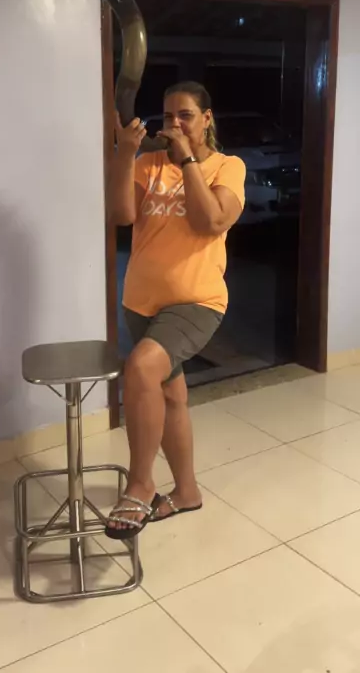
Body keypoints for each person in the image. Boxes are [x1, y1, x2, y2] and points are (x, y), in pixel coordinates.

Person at [105, 81, 246, 539]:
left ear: (207, 118)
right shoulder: (149, 164)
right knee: (170, 395)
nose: (176, 124)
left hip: (197, 301)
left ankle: (140, 483)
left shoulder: (228, 167)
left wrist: (187, 160)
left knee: (142, 367)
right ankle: (187, 492)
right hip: (141, 301)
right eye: (169, 117)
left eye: (185, 115)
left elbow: (211, 221)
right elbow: (122, 215)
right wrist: (126, 153)